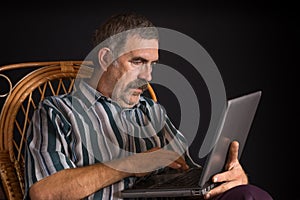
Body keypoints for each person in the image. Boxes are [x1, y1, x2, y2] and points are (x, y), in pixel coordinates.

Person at [24, 12, 273, 200]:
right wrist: (130, 164)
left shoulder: (153, 112)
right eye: (138, 61)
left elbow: (188, 176)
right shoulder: (57, 112)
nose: (148, 76)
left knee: (248, 195)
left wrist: (227, 180)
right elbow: (43, 192)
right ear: (106, 58)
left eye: (152, 63)